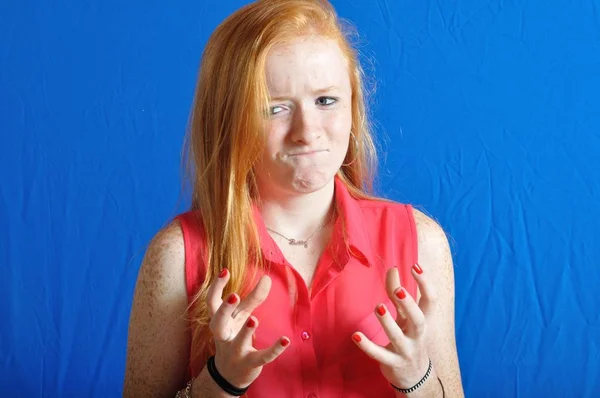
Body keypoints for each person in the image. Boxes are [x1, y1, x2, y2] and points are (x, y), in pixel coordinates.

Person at [123, 0, 464, 397]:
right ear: (227, 119)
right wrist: (219, 382)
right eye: (275, 108)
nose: (307, 131)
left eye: (325, 101)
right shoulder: (177, 255)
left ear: (353, 107)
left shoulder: (422, 242)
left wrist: (416, 377)